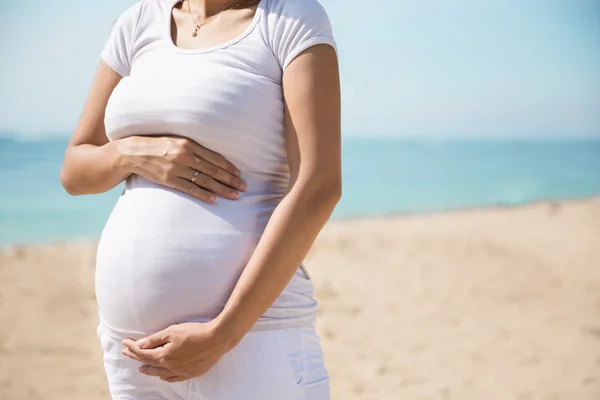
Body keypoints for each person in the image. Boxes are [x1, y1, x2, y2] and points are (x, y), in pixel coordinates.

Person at [60, 0, 341, 398]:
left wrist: (224, 333)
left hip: (251, 341)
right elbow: (74, 170)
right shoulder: (139, 21)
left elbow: (318, 185)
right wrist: (133, 153)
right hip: (133, 353)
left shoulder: (289, 19)